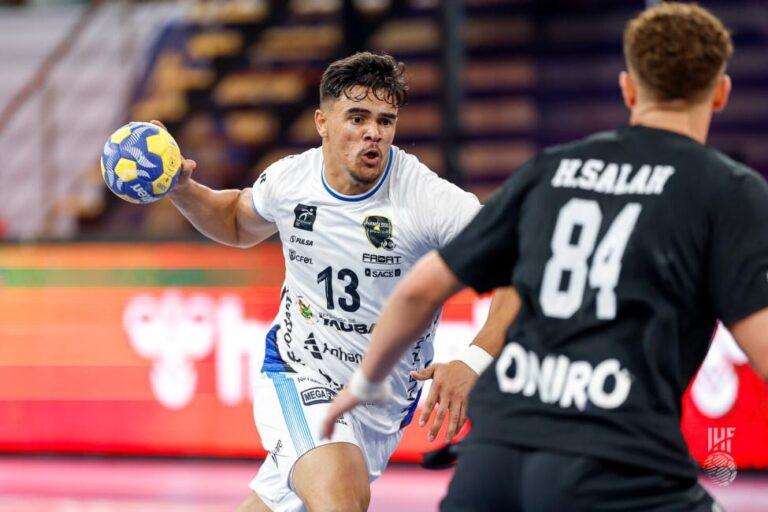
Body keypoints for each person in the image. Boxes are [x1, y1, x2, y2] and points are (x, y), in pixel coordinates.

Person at [323, 4, 768, 510]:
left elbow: (419, 290)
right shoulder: (728, 190)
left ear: (628, 89)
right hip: (616, 462)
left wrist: (364, 382)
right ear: (721, 92)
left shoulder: (552, 168)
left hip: (493, 460)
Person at [162, 51, 514, 512]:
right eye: (357, 117)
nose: (374, 133)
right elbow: (235, 221)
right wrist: (183, 190)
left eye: (386, 121)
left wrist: (474, 361)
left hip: (381, 402)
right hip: (298, 372)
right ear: (322, 123)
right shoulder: (291, 180)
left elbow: (517, 269)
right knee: (341, 500)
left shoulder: (426, 198)